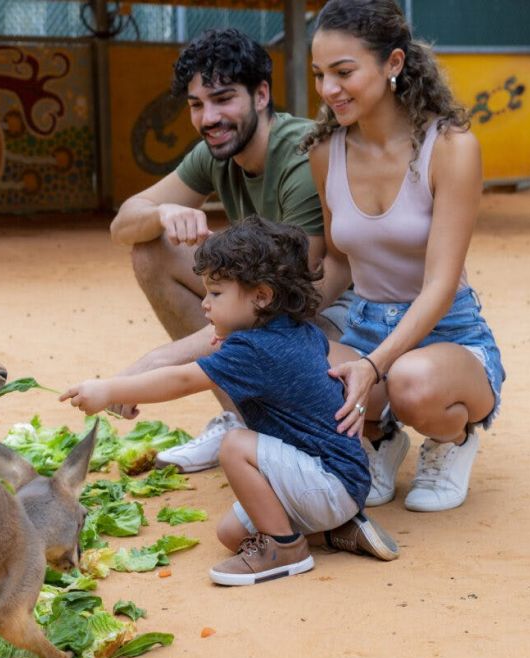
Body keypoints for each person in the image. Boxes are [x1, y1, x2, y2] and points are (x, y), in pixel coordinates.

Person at [61, 218, 399, 587]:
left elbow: (182, 379)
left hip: (330, 483)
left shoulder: (254, 350)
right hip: (337, 480)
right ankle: (337, 531)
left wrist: (111, 390)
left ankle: (287, 550)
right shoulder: (294, 330)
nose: (205, 305)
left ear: (261, 297)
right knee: (231, 533)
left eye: (216, 294)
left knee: (235, 444)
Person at [109, 28, 354, 475]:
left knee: (265, 314)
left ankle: (331, 429)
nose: (209, 118)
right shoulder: (216, 152)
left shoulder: (299, 156)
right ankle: (241, 419)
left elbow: (288, 301)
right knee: (151, 249)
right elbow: (123, 224)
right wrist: (161, 212)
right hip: (267, 300)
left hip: (332, 313)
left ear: (261, 95)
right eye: (196, 104)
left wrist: (156, 363)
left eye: (223, 99)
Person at [304, 0, 506, 512]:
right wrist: (284, 317)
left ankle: (452, 440)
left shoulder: (451, 148)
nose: (328, 89)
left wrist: (374, 366)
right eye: (319, 74)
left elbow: (440, 285)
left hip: (448, 332)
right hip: (365, 325)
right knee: (300, 368)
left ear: (393, 63)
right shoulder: (325, 152)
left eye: (344, 72)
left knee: (411, 383)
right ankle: (380, 437)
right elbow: (339, 263)